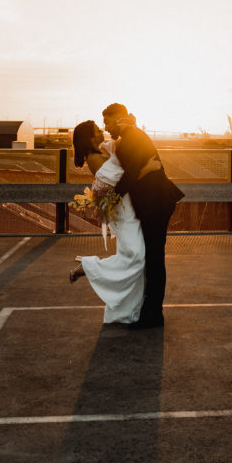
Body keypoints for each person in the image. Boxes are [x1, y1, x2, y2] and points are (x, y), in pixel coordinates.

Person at [102, 103, 184, 329]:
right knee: (152, 259)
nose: (106, 128)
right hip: (153, 204)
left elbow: (129, 177)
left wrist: (108, 200)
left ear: (118, 119)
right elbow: (134, 174)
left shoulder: (131, 138)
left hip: (156, 204)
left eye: (108, 122)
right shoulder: (130, 137)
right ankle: (150, 311)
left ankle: (154, 315)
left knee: (155, 259)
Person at [69, 120, 147, 326]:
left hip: (129, 204)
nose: (102, 131)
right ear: (90, 137)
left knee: (136, 255)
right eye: (97, 130)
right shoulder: (94, 158)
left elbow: (125, 147)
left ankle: (128, 311)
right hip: (122, 209)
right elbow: (115, 180)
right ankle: (88, 266)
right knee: (135, 255)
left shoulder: (104, 148)